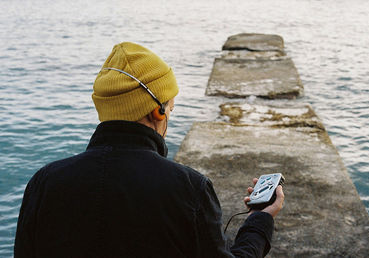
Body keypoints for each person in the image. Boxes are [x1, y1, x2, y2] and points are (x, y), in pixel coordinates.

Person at [14, 42, 284, 258]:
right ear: (159, 110)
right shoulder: (189, 188)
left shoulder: (45, 182)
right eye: (171, 108)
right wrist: (259, 220)